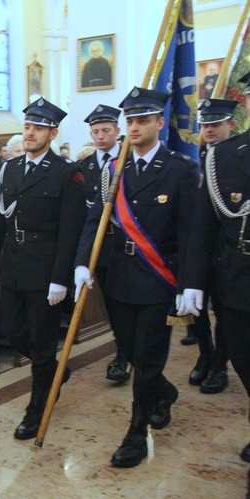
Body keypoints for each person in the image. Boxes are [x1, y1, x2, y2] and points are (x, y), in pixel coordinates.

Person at [74, 87, 200, 468]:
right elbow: (96, 218)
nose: (135, 126)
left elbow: (191, 232)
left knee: (147, 356)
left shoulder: (181, 168)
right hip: (120, 275)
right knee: (129, 350)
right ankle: (163, 392)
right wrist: (83, 262)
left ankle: (135, 432)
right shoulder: (116, 168)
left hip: (158, 279)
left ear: (160, 123)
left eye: (143, 120)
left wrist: (190, 282)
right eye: (131, 121)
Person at [0, 97, 86, 440]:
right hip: (11, 264)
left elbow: (71, 230)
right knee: (13, 333)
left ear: (52, 133)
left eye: (38, 128)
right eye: (27, 126)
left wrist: (61, 278)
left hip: (44, 270)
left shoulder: (66, 172)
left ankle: (37, 407)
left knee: (41, 341)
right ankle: (54, 371)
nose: (30, 133)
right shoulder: (9, 169)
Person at [178, 75, 250, 493]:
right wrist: (193, 282)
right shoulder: (225, 155)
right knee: (242, 355)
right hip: (238, 274)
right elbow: (204, 226)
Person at [182, 97, 238, 395]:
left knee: (226, 311)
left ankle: (220, 363)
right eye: (204, 125)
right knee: (197, 309)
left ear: (231, 124)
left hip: (228, 248)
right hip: (198, 244)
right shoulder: (194, 155)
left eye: (215, 124)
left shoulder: (237, 156)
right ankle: (205, 353)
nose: (209, 130)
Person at [78, 104, 130, 384]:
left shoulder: (128, 160)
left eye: (105, 130)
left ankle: (124, 355)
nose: (100, 136)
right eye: (95, 131)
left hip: (126, 245)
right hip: (99, 247)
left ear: (117, 131)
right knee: (111, 304)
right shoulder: (83, 167)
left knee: (124, 304)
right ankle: (124, 350)